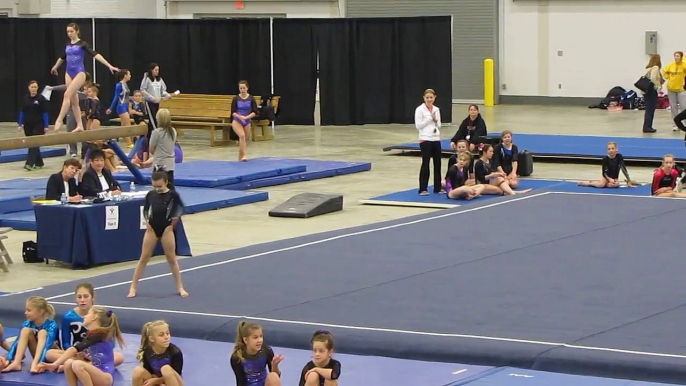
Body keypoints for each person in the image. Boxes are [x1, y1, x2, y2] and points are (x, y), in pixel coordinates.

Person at [128, 172, 187, 298]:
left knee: (171, 259)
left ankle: (180, 287)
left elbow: (181, 207)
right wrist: (147, 221)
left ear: (166, 183)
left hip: (166, 228)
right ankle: (133, 287)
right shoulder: (151, 194)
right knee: (144, 258)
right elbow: (145, 209)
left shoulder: (173, 195)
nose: (157, 189)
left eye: (159, 186)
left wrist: (174, 218)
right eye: (154, 186)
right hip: (152, 228)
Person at [51, 22, 118, 133]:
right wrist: (55, 67)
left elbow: (96, 55)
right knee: (74, 101)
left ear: (77, 31)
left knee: (66, 94)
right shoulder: (68, 44)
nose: (70, 34)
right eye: (68, 32)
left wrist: (109, 65)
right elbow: (62, 57)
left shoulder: (82, 44)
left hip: (79, 73)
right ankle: (80, 125)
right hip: (68, 72)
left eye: (72, 31)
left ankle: (59, 120)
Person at [46, 283, 125, 371]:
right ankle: (84, 365)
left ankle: (75, 366)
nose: (82, 300)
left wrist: (91, 355)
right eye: (79, 297)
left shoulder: (101, 315)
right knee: (49, 353)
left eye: (86, 296)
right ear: (75, 298)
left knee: (119, 357)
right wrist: (77, 353)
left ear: (92, 297)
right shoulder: (68, 317)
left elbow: (110, 342)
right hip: (77, 353)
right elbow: (65, 342)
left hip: (95, 354)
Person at [39, 307, 125, 386]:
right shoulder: (94, 333)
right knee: (68, 363)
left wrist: (55, 364)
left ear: (94, 317)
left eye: (87, 314)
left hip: (105, 377)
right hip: (96, 372)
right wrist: (88, 356)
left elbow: (73, 349)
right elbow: (101, 355)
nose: (84, 316)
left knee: (77, 364)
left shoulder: (99, 333)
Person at [1, 296, 59, 373]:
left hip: (50, 355)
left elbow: (47, 345)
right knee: (25, 330)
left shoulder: (52, 325)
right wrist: (9, 359)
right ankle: (16, 363)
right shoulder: (27, 324)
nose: (25, 313)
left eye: (29, 310)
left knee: (42, 332)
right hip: (37, 355)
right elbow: (17, 342)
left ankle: (35, 363)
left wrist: (39, 363)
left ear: (40, 311)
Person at [45, 73, 92, 157]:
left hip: (83, 112)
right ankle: (73, 151)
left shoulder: (88, 89)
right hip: (71, 111)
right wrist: (53, 88)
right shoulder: (74, 85)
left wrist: (87, 112)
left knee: (84, 132)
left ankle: (84, 151)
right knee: (71, 130)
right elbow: (64, 87)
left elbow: (92, 102)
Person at [132, 320, 184, 386]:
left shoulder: (175, 352)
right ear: (152, 339)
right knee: (137, 371)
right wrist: (157, 382)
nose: (166, 337)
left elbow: (176, 375)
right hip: (157, 380)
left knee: (166, 369)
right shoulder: (147, 352)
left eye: (167, 333)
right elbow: (150, 373)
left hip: (174, 382)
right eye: (161, 335)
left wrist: (157, 381)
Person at [230, 321, 283, 386]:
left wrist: (275, 365)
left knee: (273, 376)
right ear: (246, 340)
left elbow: (276, 379)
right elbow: (240, 382)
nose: (260, 340)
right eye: (255, 337)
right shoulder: (237, 358)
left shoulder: (266, 351)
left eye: (261, 336)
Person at [415, 88, 442, 196]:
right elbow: (418, 126)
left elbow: (439, 124)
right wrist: (429, 119)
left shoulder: (436, 109)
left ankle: (438, 187)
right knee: (426, 163)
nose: (429, 99)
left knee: (438, 163)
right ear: (424, 98)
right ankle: (423, 188)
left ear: (434, 98)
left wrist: (435, 120)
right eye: (427, 98)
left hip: (435, 138)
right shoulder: (419, 110)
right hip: (425, 139)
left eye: (431, 97)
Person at [18, 80, 50, 171]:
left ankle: (29, 163)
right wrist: (20, 123)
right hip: (28, 124)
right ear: (28, 88)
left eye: (35, 87)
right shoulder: (25, 98)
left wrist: (46, 125)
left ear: (37, 88)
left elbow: (45, 113)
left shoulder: (41, 99)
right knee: (33, 144)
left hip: (39, 124)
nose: (33, 89)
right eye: (32, 87)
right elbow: (22, 112)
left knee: (34, 143)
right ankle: (39, 163)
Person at [140, 63, 174, 139]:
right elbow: (142, 90)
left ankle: (149, 138)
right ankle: (156, 137)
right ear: (151, 70)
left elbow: (162, 91)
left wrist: (167, 95)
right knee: (153, 121)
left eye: (158, 70)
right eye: (155, 70)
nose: (157, 71)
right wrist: (151, 98)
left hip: (157, 103)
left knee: (153, 122)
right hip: (149, 103)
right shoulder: (147, 79)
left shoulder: (159, 80)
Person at [231, 80, 259, 162]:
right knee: (242, 136)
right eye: (240, 88)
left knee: (244, 140)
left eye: (244, 88)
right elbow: (233, 112)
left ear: (247, 88)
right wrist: (240, 117)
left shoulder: (251, 98)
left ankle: (240, 159)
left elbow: (255, 111)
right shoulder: (236, 99)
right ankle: (245, 155)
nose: (242, 90)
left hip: (247, 120)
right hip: (237, 120)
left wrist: (247, 117)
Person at [150, 109, 177, 189]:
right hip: (170, 164)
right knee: (170, 186)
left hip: (160, 164)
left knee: (159, 187)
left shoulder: (157, 132)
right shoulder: (173, 131)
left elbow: (151, 150)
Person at [106, 69, 134, 148]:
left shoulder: (125, 84)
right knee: (127, 125)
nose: (130, 76)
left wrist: (133, 100)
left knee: (123, 125)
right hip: (121, 107)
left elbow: (126, 97)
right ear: (125, 75)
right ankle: (129, 143)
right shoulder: (119, 85)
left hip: (125, 106)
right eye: (129, 74)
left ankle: (122, 140)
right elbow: (116, 97)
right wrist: (111, 108)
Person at [663, 51, 686, 131]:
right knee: (673, 107)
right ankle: (675, 125)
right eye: (675, 56)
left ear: (681, 57)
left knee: (683, 107)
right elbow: (664, 71)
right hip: (671, 89)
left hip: (681, 89)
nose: (676, 58)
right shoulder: (670, 65)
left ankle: (684, 123)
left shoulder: (684, 65)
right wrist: (667, 77)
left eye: (678, 56)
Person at [641, 54, 664, 133]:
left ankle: (646, 126)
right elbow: (653, 78)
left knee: (648, 109)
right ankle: (648, 126)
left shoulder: (648, 68)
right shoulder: (655, 68)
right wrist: (658, 86)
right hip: (651, 91)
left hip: (646, 91)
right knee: (650, 109)